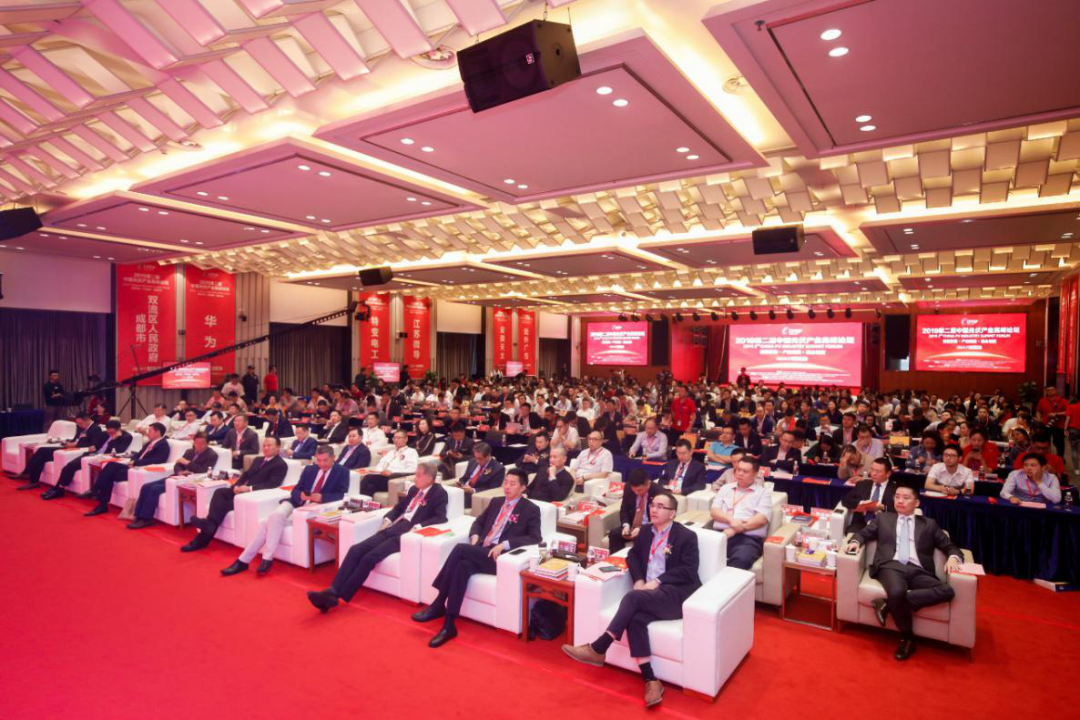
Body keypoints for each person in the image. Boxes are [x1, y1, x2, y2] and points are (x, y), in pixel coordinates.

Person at [562, 489, 699, 708]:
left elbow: (688, 570)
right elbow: (633, 556)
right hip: (648, 593)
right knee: (635, 619)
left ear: (672, 513)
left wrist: (659, 581)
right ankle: (651, 680)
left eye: (660, 507)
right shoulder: (645, 531)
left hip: (675, 595)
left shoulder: (686, 537)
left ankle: (599, 647)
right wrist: (638, 580)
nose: (654, 509)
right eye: (652, 505)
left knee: (633, 599)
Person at [412, 469, 542, 648]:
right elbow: (479, 522)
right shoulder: (496, 502)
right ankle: (449, 625)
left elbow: (535, 537)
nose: (507, 487)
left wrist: (505, 544)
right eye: (505, 482)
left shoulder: (530, 509)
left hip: (499, 558)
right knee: (462, 567)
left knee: (460, 549)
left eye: (512, 484)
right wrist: (474, 536)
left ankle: (439, 603)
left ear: (523, 487)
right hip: (481, 550)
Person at [307, 462, 448, 611]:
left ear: (430, 478)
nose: (415, 478)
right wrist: (388, 519)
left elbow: (441, 517)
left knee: (369, 558)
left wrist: (418, 526)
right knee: (355, 549)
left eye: (419, 475)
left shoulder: (439, 493)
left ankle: (336, 596)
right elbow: (399, 508)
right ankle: (333, 590)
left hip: (407, 534)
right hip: (393, 527)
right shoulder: (414, 489)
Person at [846, 485, 963, 661]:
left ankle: (887, 604)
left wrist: (953, 558)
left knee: (947, 591)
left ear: (917, 503)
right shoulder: (883, 518)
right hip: (890, 566)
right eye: (897, 497)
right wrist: (855, 542)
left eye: (906, 498)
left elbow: (950, 546)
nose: (900, 501)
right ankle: (907, 638)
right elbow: (863, 534)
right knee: (897, 591)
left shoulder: (929, 524)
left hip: (918, 570)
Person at [223, 445, 349, 575]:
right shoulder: (309, 469)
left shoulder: (342, 472)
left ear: (333, 458)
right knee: (276, 515)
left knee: (265, 523)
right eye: (319, 460)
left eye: (325, 460)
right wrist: (300, 495)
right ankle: (264, 559)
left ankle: (245, 561)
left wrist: (322, 497)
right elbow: (296, 490)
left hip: (315, 507)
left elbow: (341, 494)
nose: (321, 464)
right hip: (296, 502)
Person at [182, 436, 288, 552]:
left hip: (252, 495)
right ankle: (208, 525)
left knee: (220, 507)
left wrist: (249, 489)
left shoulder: (280, 464)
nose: (266, 448)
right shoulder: (258, 459)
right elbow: (246, 475)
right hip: (241, 491)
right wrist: (236, 486)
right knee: (219, 492)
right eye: (264, 445)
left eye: (269, 445)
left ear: (278, 448)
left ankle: (200, 539)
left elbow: (272, 484)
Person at [127, 432, 220, 530]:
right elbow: (177, 464)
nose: (199, 446)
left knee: (154, 489)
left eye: (202, 443)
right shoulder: (190, 451)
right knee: (146, 486)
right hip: (177, 476)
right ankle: (138, 516)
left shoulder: (212, 455)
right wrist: (179, 472)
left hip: (188, 480)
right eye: (197, 443)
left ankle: (146, 519)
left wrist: (187, 463)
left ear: (207, 443)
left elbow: (203, 470)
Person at [81, 422, 171, 516]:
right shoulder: (149, 443)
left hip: (140, 470)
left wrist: (135, 462)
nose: (147, 433)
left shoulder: (163, 445)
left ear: (157, 432)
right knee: (111, 465)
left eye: (150, 431)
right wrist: (133, 460)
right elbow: (138, 454)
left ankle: (98, 498)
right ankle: (98, 496)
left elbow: (158, 460)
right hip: (133, 466)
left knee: (108, 475)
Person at [43, 419, 132, 500]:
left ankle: (93, 491)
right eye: (109, 432)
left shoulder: (126, 437)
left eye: (112, 433)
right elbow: (95, 444)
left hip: (104, 457)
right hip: (92, 454)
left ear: (118, 429)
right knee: (69, 466)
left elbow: (118, 451)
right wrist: (92, 448)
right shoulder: (104, 434)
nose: (110, 434)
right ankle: (58, 488)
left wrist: (114, 439)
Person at [710, 456, 773, 569]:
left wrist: (734, 530)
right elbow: (714, 511)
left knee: (741, 559)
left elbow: (761, 519)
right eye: (738, 469)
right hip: (721, 534)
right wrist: (731, 520)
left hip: (747, 539)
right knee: (699, 551)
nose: (740, 473)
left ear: (755, 474)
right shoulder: (726, 488)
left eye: (745, 471)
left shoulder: (763, 493)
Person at [17, 413, 103, 490]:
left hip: (76, 450)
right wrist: (68, 442)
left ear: (87, 420)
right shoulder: (80, 427)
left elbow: (93, 444)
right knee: (41, 451)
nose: (79, 425)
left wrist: (75, 445)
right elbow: (76, 438)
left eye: (80, 423)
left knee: (42, 453)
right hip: (69, 447)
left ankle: (30, 477)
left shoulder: (96, 429)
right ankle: (31, 477)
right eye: (78, 423)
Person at [609, 469, 661, 552]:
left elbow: (660, 518)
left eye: (640, 490)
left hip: (650, 527)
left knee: (643, 537)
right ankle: (616, 559)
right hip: (632, 526)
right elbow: (624, 509)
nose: (636, 493)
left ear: (648, 484)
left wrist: (642, 529)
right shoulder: (628, 488)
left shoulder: (658, 492)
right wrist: (626, 525)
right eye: (634, 490)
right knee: (614, 534)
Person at [840, 457, 897, 534]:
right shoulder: (863, 484)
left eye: (878, 471)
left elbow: (898, 510)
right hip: (861, 523)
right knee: (851, 536)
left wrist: (883, 507)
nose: (873, 473)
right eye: (872, 469)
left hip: (883, 525)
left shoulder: (895, 489)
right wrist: (862, 503)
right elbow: (845, 500)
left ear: (888, 474)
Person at [359, 429, 419, 496]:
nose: (396, 440)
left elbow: (412, 469)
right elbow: (379, 465)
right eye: (394, 438)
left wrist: (392, 472)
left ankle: (357, 500)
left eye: (398, 438)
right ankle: (363, 501)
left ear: (406, 439)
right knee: (370, 487)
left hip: (395, 478)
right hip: (382, 477)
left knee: (368, 478)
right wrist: (382, 471)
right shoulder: (391, 452)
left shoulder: (411, 452)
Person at [456, 442, 505, 507]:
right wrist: (461, 484)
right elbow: (464, 478)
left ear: (488, 456)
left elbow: (493, 490)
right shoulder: (472, 461)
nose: (477, 461)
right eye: (476, 457)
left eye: (480, 458)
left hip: (475, 497)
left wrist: (473, 490)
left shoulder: (498, 469)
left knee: (454, 502)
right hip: (463, 491)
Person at [1036, 385, 1068, 456]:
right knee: (1045, 442)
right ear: (1046, 392)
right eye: (1048, 390)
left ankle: (1060, 458)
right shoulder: (1042, 401)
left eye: (1052, 389)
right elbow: (1038, 411)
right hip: (1045, 425)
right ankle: (1046, 456)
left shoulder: (1063, 400)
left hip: (1059, 426)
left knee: (1059, 443)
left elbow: (1068, 412)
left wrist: (1056, 414)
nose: (1050, 391)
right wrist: (1039, 420)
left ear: (1056, 390)